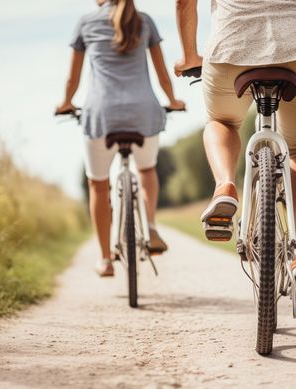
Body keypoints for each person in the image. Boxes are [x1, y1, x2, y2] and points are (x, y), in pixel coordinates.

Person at [173, 0, 296, 307]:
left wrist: (189, 54)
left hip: (232, 46)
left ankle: (225, 186)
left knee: (222, 121)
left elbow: (184, 2)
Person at [57, 0, 186, 277]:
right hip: (144, 114)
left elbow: (73, 78)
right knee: (147, 169)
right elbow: (162, 73)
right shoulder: (144, 20)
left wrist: (66, 103)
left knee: (98, 184)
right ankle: (150, 227)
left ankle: (105, 258)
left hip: (101, 115)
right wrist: (173, 100)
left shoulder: (86, 23)